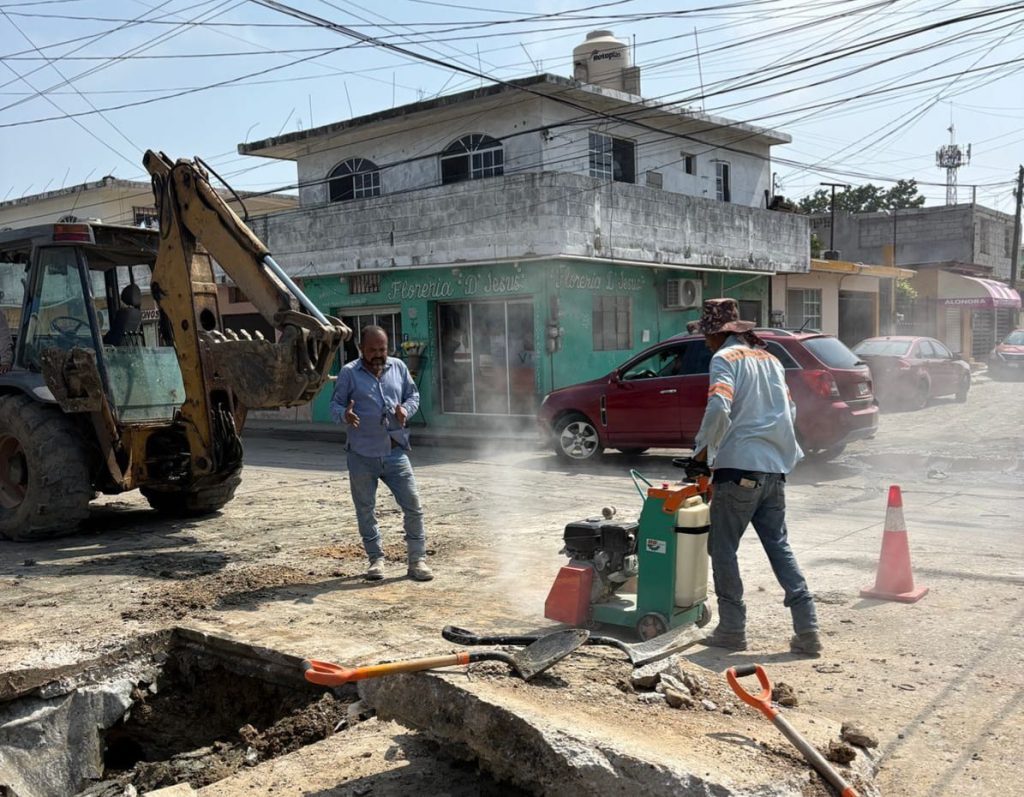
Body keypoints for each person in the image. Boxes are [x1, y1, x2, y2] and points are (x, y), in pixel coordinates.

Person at [683, 298, 821, 656]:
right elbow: (789, 408)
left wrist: (701, 454)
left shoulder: (723, 359)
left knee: (722, 548)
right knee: (778, 544)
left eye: (706, 335)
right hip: (775, 468)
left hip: (740, 467)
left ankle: (732, 628)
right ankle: (808, 629)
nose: (704, 342)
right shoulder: (771, 360)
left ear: (717, 334)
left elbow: (718, 406)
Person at [330, 325, 432, 582]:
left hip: (395, 451)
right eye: (373, 350)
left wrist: (406, 410)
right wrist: (345, 414)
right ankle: (376, 560)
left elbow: (413, 395)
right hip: (361, 454)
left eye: (383, 349)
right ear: (361, 349)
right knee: (366, 510)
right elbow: (335, 405)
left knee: (413, 506)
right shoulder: (349, 373)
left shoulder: (397, 367)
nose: (378, 354)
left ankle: (417, 560)